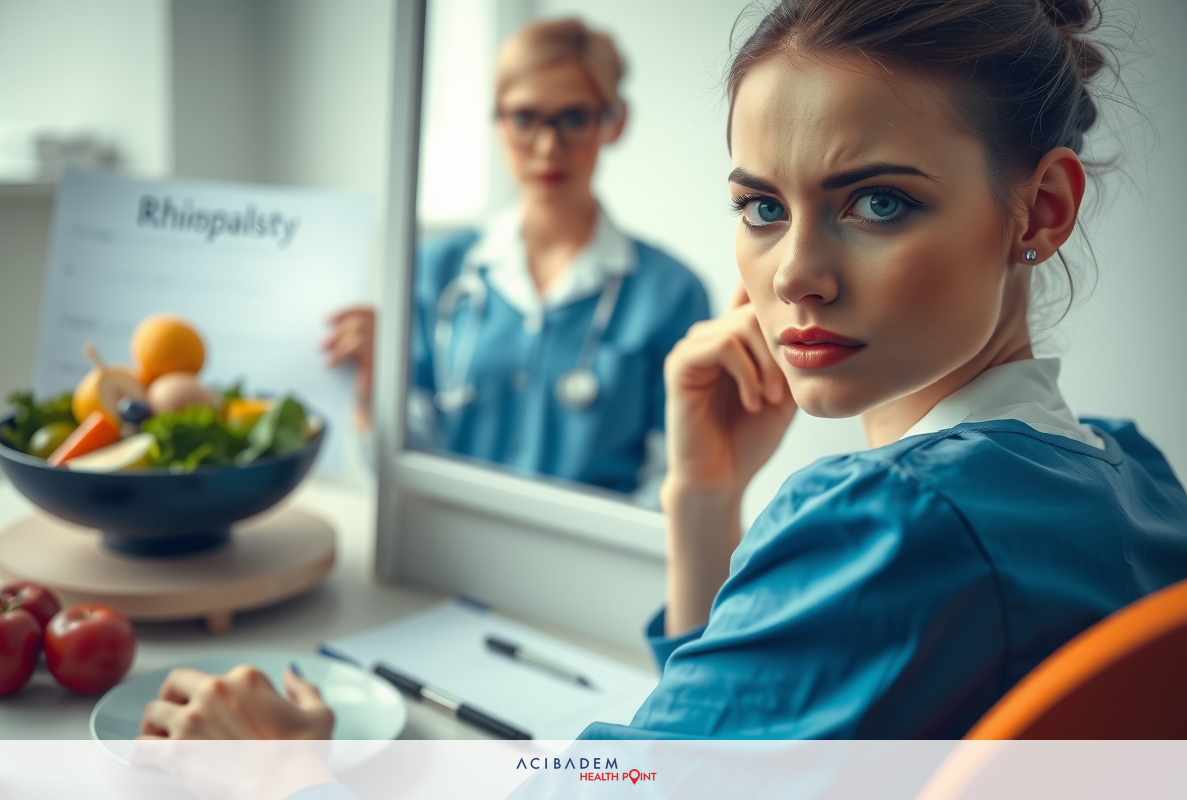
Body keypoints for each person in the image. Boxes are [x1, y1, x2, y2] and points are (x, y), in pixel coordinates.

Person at [139, 0, 1187, 783]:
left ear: (1039, 211)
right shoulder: (1130, 473)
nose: (794, 274)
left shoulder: (900, 522)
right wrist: (705, 502)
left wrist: (300, 767)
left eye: (876, 201)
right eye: (763, 207)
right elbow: (728, 746)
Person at [325, 18, 711, 498]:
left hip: (597, 562)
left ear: (614, 121)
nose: (548, 148)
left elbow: (677, 477)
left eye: (573, 118)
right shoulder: (434, 270)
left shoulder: (673, 294)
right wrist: (370, 392)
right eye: (525, 118)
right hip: (452, 552)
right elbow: (407, 464)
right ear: (497, 122)